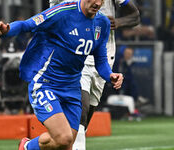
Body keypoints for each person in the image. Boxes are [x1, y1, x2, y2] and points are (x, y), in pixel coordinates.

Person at [0, 0, 123, 150]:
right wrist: (6, 30)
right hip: (46, 84)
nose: (98, 3)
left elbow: (101, 60)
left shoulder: (102, 23)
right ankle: (28, 146)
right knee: (64, 137)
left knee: (65, 144)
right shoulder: (63, 12)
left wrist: (110, 75)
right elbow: (27, 25)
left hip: (72, 89)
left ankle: (27, 146)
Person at [50, 0, 140, 149]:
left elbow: (135, 16)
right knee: (81, 109)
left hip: (103, 56)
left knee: (83, 121)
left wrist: (118, 22)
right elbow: (52, 19)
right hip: (77, 54)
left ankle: (32, 146)